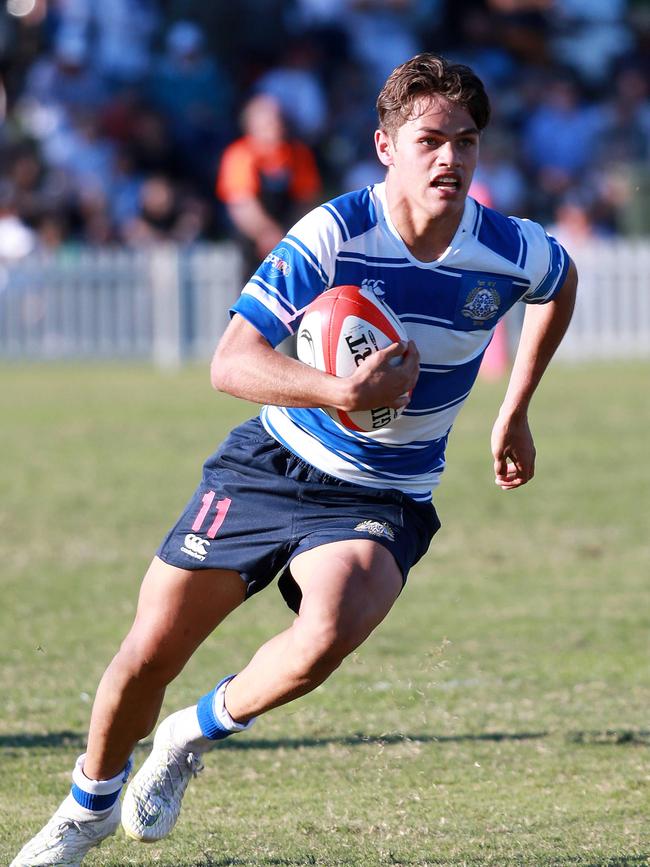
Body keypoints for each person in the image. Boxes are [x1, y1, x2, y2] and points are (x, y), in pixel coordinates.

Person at [11, 53, 577, 866]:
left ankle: (189, 734)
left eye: (465, 141)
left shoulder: (506, 246)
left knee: (331, 626)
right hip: (275, 460)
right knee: (148, 654)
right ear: (386, 147)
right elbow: (230, 361)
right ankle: (86, 805)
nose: (450, 158)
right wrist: (335, 389)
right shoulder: (335, 233)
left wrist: (515, 408)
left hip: (383, 489)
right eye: (430, 140)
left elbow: (563, 282)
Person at [215, 92, 322, 275]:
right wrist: (267, 234)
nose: (275, 126)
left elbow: (306, 200)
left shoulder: (298, 154)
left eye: (278, 120)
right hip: (252, 240)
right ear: (251, 125)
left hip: (290, 233)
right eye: (268, 122)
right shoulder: (240, 154)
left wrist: (292, 237)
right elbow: (241, 204)